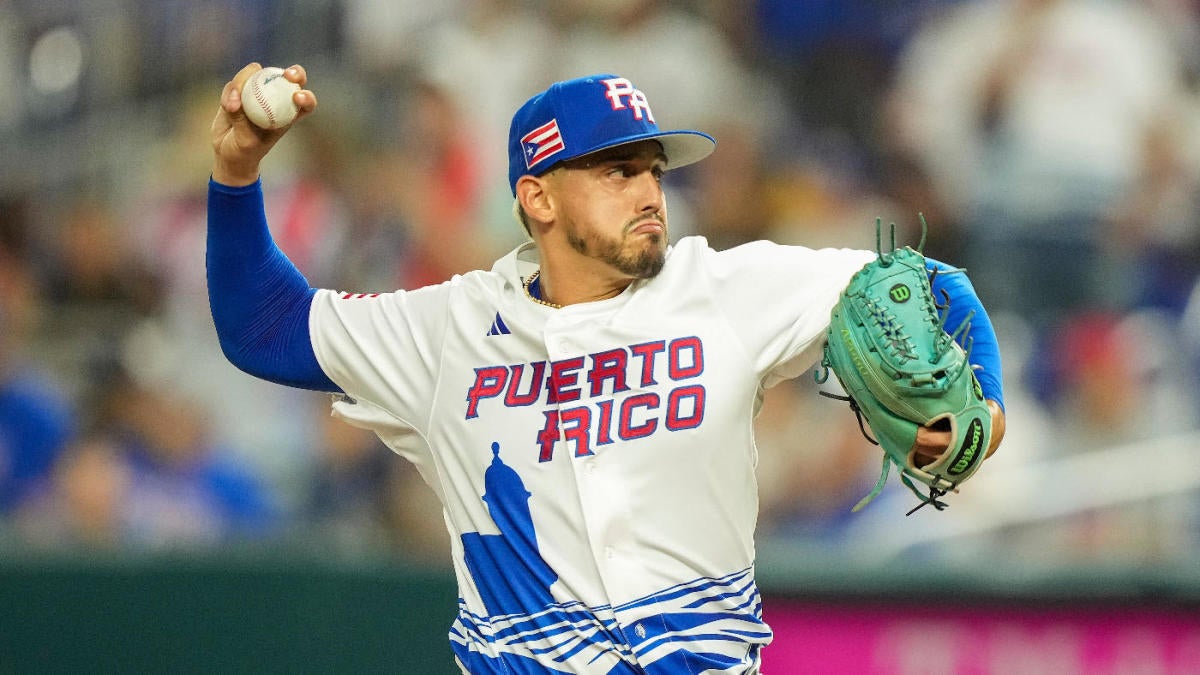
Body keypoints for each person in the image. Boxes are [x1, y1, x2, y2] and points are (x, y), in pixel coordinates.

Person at [208, 63, 1006, 674]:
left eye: (654, 169)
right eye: (617, 172)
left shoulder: (722, 290)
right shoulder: (449, 330)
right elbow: (264, 325)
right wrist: (237, 175)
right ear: (540, 199)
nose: (649, 191)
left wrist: (989, 404)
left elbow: (924, 281)